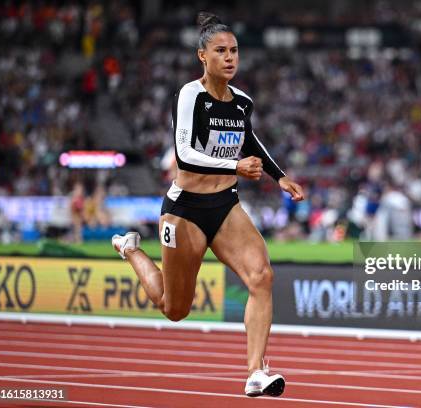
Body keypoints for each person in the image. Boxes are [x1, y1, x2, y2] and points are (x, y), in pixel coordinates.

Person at [111, 12, 304, 398]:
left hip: (225, 205)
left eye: (234, 51)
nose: (230, 58)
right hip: (186, 210)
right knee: (175, 308)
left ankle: (255, 373)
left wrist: (278, 175)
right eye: (221, 51)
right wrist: (234, 164)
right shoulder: (190, 95)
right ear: (203, 56)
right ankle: (130, 248)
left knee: (261, 277)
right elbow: (184, 154)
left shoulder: (242, 103)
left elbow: (252, 142)